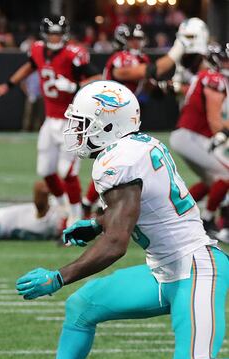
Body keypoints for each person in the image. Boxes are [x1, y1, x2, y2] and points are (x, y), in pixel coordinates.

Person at [0, 80, 228, 359]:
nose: (77, 130)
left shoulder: (117, 160)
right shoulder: (138, 145)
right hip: (166, 270)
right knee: (81, 307)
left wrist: (59, 276)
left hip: (197, 266)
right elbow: (135, 210)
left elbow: (117, 243)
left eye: (84, 122)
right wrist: (96, 222)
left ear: (110, 123)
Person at [0, 17, 101, 225]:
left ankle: (76, 214)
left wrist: (74, 86)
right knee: (46, 170)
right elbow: (29, 66)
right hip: (50, 120)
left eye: (58, 33)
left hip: (72, 120)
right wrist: (8, 85)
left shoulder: (74, 54)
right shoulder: (38, 50)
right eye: (52, 34)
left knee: (66, 171)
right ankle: (62, 207)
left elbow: (98, 78)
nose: (55, 38)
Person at [81, 21, 197, 216]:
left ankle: (96, 204)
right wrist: (177, 50)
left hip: (126, 119)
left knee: (123, 162)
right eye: (132, 39)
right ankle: (91, 204)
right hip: (111, 119)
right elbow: (145, 72)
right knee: (114, 162)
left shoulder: (139, 57)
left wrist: (172, 87)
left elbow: (153, 87)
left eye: (138, 39)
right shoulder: (120, 58)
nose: (136, 43)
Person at [169, 42, 229, 234]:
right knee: (225, 175)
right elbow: (214, 121)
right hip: (192, 135)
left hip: (190, 135)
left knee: (211, 182)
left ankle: (175, 218)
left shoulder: (206, 77)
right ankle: (207, 220)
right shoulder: (214, 79)